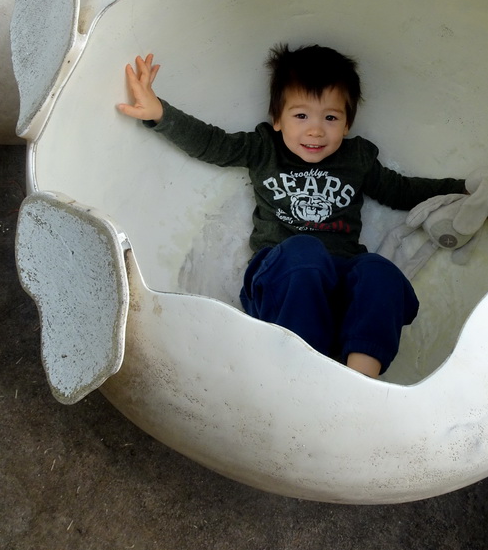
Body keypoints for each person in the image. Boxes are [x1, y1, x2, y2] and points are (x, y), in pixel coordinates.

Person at [118, 44, 468, 378]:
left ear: (346, 125)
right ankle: (302, 374)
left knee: (380, 272)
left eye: (330, 117)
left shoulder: (356, 159)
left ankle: (357, 383)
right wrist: (159, 113)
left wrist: (462, 190)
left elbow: (402, 191)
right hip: (282, 280)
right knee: (305, 252)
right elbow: (213, 144)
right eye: (301, 115)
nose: (315, 129)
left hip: (342, 281)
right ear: (278, 119)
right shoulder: (264, 149)